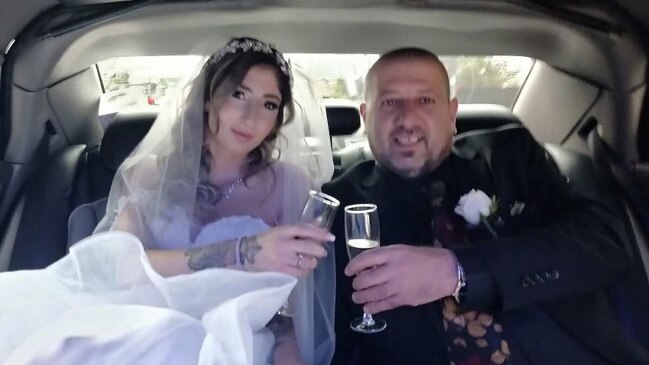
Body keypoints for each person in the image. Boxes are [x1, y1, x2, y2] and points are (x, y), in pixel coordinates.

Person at [0, 37, 336, 365]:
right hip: (139, 321)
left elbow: (296, 302)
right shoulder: (150, 174)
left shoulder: (290, 184)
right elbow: (118, 266)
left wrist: (288, 349)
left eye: (269, 104)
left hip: (237, 335)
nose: (251, 117)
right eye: (238, 94)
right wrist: (244, 250)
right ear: (208, 100)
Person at [323, 47, 649, 365]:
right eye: (390, 101)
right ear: (366, 117)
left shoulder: (510, 157)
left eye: (425, 100)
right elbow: (324, 328)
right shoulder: (339, 201)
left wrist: (458, 270)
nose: (407, 118)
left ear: (451, 114)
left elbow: (606, 244)